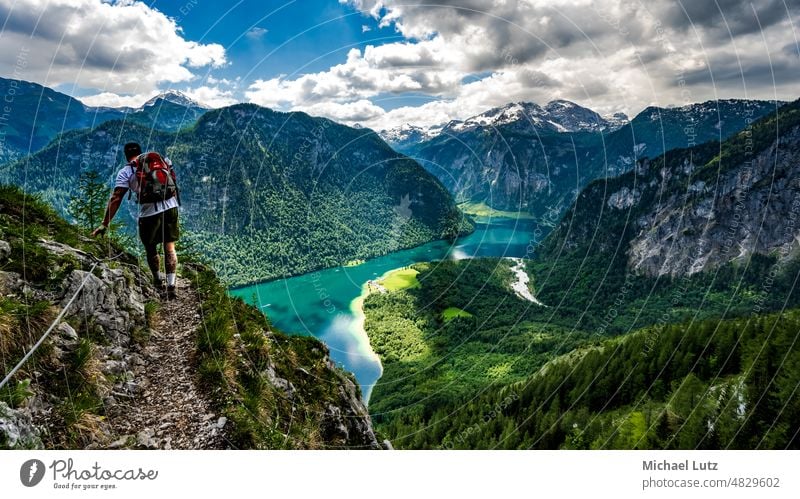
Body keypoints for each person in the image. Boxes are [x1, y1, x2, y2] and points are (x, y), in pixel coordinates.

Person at [92, 142, 180, 300]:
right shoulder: (161, 160)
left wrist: (105, 223)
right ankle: (172, 286)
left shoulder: (126, 172)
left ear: (126, 155)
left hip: (149, 213)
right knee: (170, 247)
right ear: (141, 152)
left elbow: (116, 198)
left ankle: (158, 282)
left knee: (151, 249)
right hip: (171, 207)